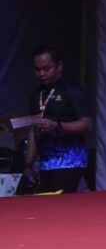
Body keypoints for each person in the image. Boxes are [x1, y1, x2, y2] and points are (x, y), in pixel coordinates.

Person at [23, 44, 92, 193]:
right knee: (44, 205)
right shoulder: (36, 94)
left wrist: (58, 126)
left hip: (70, 162)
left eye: (46, 69)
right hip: (44, 164)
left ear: (59, 66)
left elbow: (87, 125)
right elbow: (33, 130)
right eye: (37, 69)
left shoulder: (72, 90)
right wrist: (28, 164)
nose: (41, 74)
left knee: (60, 205)